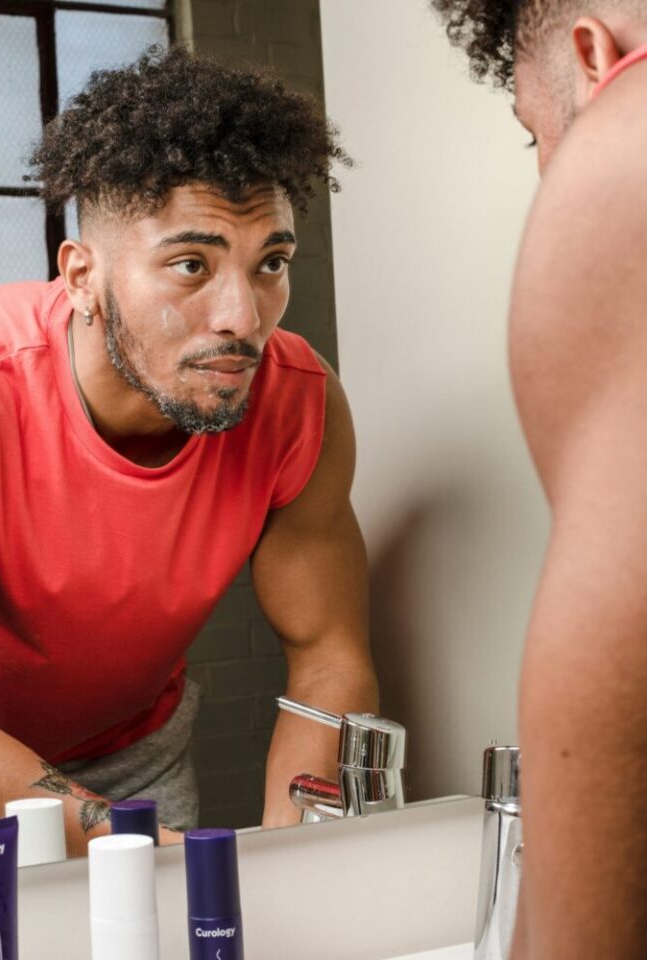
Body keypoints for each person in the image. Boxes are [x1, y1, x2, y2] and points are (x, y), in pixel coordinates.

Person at [0, 47, 378, 856]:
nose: (243, 317)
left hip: (130, 755)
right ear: (81, 277)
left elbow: (329, 660)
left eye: (271, 264)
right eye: (191, 265)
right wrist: (158, 854)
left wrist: (298, 856)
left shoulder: (299, 404)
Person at [431, 2, 647, 958]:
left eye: (534, 130)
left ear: (593, 53)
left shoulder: (623, 151)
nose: (547, 166)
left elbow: (620, 703)